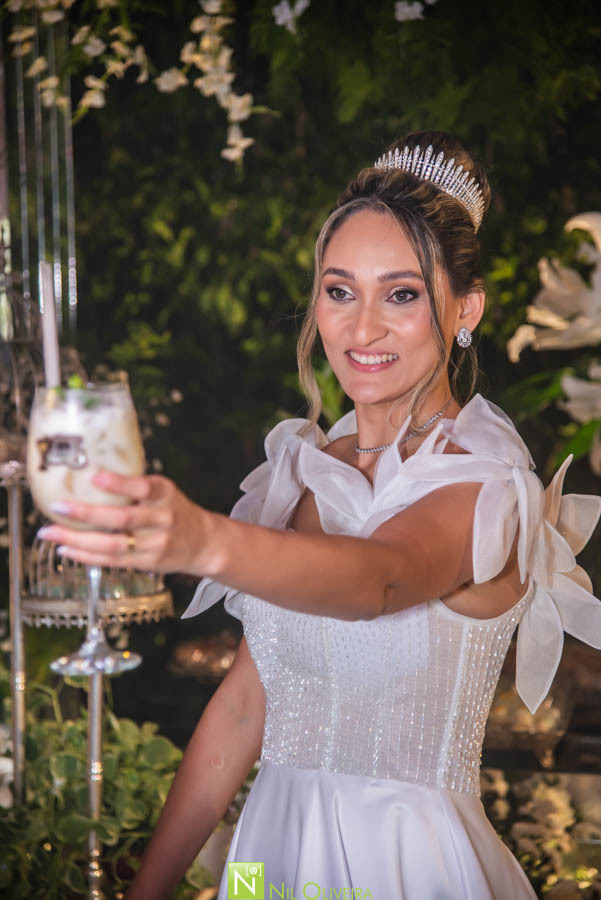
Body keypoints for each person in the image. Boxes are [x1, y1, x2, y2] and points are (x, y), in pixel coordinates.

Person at [43, 130, 601, 900]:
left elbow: (377, 581)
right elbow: (245, 708)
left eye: (401, 294)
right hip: (268, 855)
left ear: (465, 307)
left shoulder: (485, 483)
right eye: (340, 291)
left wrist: (202, 540)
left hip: (405, 866)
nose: (361, 328)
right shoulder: (304, 470)